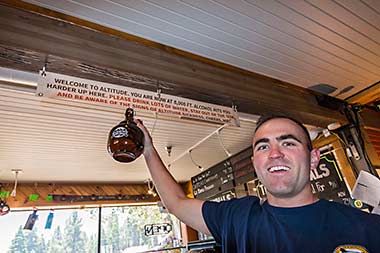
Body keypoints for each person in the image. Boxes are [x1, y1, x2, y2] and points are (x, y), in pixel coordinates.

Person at [135, 114, 380, 253]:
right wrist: (148, 150)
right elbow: (177, 203)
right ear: (255, 163)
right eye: (263, 146)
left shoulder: (368, 228)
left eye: (288, 143)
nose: (274, 153)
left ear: (313, 158)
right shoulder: (237, 217)